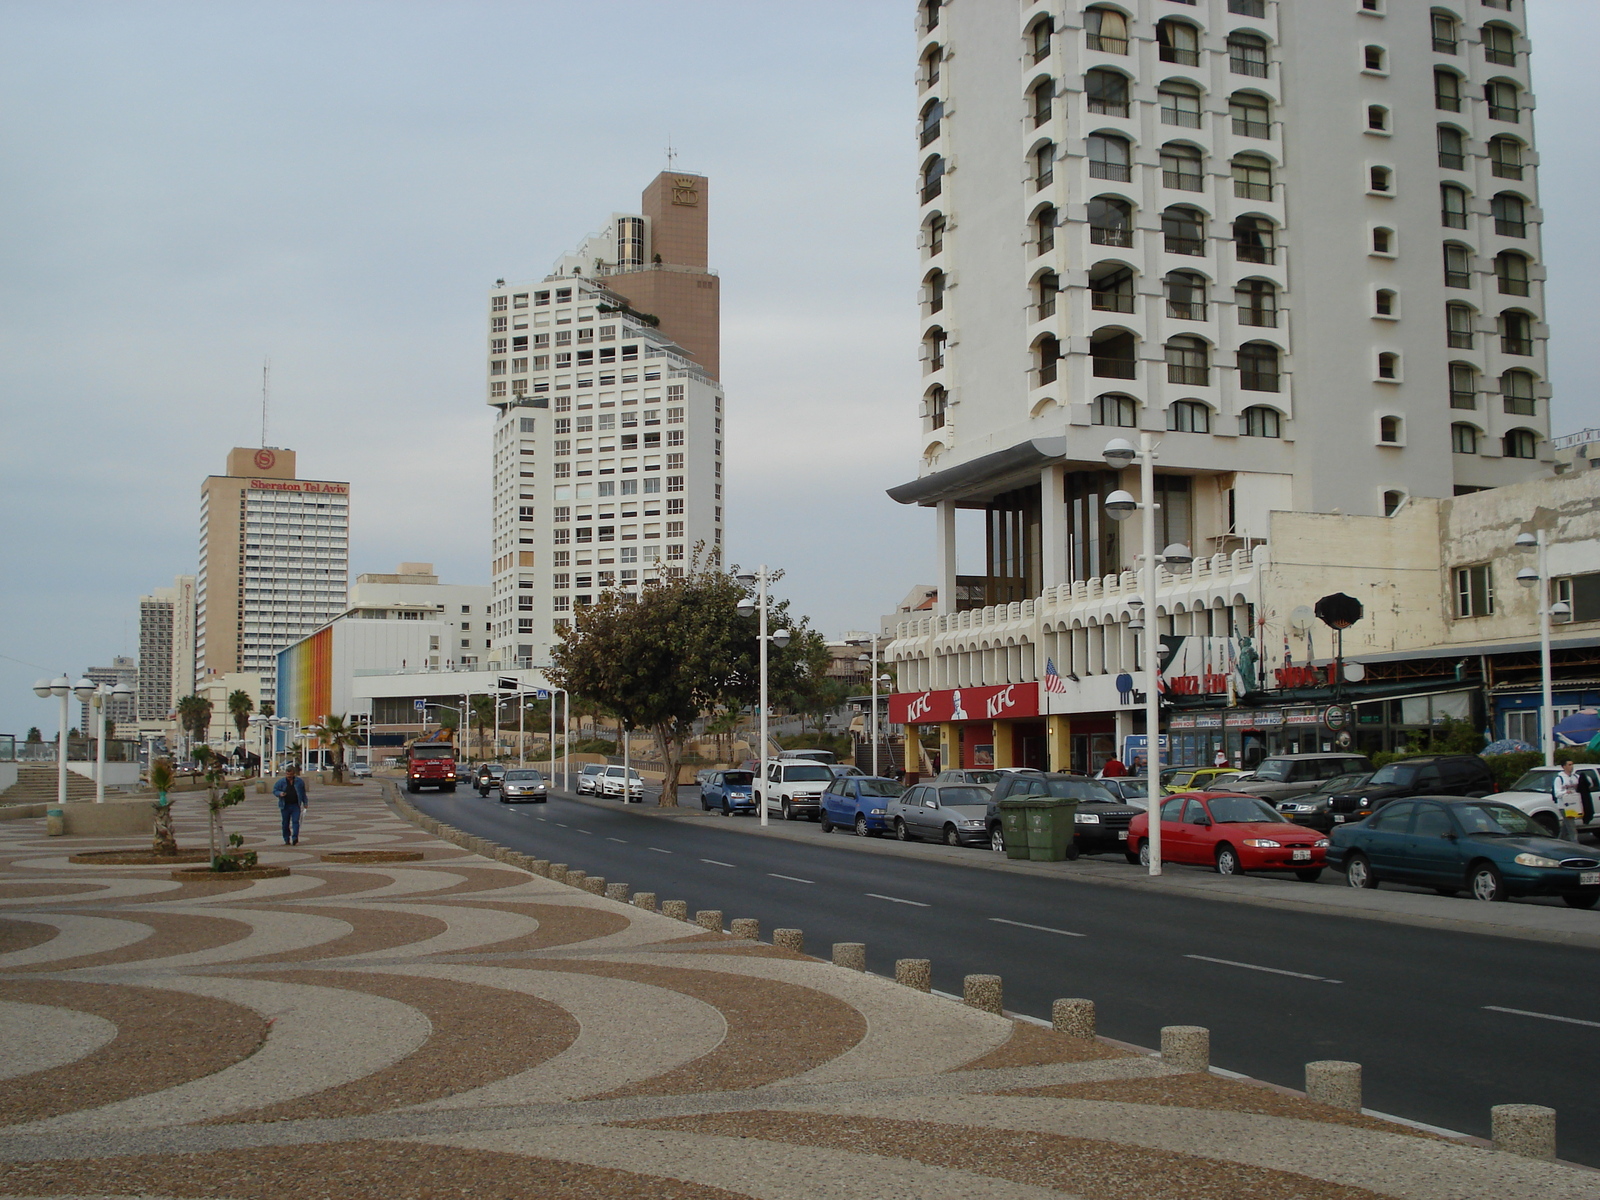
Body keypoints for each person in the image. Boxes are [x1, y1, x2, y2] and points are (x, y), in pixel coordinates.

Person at [273, 763, 310, 846]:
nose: (289, 776)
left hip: (295, 805)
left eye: (290, 774)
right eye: (287, 774)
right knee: (285, 823)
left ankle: (295, 838)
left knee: (295, 822)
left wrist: (305, 802)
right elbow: (275, 790)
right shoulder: (281, 782)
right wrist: (280, 793)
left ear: (294, 774)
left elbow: (302, 793)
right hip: (285, 805)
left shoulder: (299, 782)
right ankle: (286, 838)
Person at [1555, 760, 1583, 841]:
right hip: (1564, 806)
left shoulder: (1575, 777)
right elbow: (1557, 793)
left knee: (1566, 826)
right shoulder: (1559, 778)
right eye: (1569, 765)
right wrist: (1565, 792)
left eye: (1572, 764)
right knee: (1572, 828)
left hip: (1574, 804)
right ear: (1564, 767)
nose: (1571, 766)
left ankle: (1559, 841)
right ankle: (1576, 846)